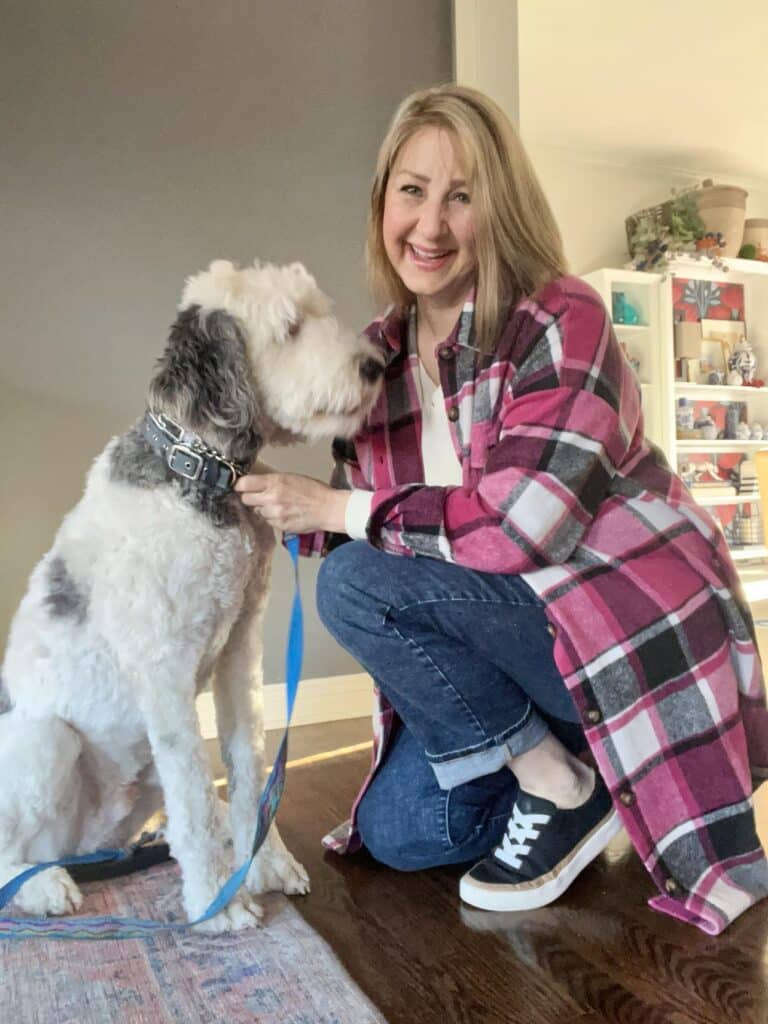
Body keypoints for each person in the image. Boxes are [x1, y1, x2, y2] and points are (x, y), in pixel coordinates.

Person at [235, 84, 768, 935]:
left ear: (503, 206)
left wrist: (338, 509)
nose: (431, 225)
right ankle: (589, 767)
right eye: (411, 191)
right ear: (383, 203)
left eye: (462, 195)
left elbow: (521, 528)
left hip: (609, 621)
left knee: (355, 586)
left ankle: (569, 771)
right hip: (502, 640)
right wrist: (281, 500)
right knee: (400, 833)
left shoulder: (561, 317)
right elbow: (361, 521)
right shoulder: (376, 356)